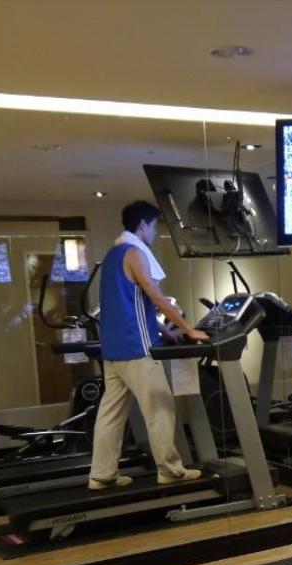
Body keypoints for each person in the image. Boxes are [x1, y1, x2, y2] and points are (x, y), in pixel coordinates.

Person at [87, 200, 209, 490]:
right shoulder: (134, 253)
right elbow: (156, 297)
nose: (154, 232)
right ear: (143, 224)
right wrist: (189, 329)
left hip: (113, 350)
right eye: (153, 226)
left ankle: (101, 475)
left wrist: (165, 331)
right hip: (136, 348)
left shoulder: (112, 255)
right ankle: (170, 470)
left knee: (111, 414)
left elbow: (132, 303)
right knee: (160, 408)